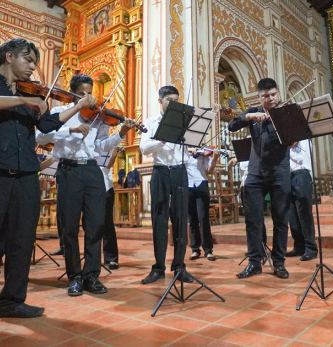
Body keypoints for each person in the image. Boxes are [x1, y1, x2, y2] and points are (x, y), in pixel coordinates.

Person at [0, 38, 95, 317]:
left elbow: (47, 124)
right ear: (8, 57)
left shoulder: (34, 95)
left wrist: (76, 107)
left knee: (21, 239)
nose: (32, 67)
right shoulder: (19, 94)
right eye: (28, 60)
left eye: (35, 63)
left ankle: (12, 300)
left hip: (27, 174)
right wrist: (24, 100)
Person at [36, 73, 135, 297]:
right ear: (72, 93)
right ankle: (75, 277)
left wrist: (121, 133)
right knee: (69, 227)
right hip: (68, 170)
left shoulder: (98, 117)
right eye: (82, 93)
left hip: (92, 171)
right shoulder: (57, 113)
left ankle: (92, 275)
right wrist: (69, 130)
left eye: (90, 93)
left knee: (96, 225)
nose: (88, 97)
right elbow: (40, 137)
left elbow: (101, 147)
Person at [228, 78, 290, 279]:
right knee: (253, 220)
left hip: (279, 172)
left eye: (273, 94)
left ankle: (279, 262)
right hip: (255, 173)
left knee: (280, 219)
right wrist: (250, 116)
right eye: (265, 96)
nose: (270, 99)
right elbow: (231, 126)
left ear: (278, 93)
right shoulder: (253, 112)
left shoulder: (286, 111)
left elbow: (296, 136)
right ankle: (255, 262)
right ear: (259, 97)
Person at [140, 85, 193, 284]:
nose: (174, 104)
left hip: (180, 171)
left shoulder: (183, 122)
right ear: (160, 101)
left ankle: (179, 266)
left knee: (180, 220)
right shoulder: (151, 122)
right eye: (170, 100)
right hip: (160, 172)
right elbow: (144, 147)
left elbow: (190, 146)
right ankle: (158, 268)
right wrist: (162, 139)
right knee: (159, 220)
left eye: (176, 100)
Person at [285, 140, 318, 261]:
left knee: (304, 214)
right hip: (287, 175)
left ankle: (311, 248)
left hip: (302, 174)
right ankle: (299, 246)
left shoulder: (304, 137)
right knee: (292, 215)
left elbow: (299, 158)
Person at [187, 148, 219, 261]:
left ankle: (208, 250)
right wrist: (190, 150)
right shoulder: (183, 151)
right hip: (188, 185)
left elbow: (209, 170)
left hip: (201, 183)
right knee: (192, 219)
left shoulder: (202, 152)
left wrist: (214, 158)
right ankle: (195, 249)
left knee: (203, 217)